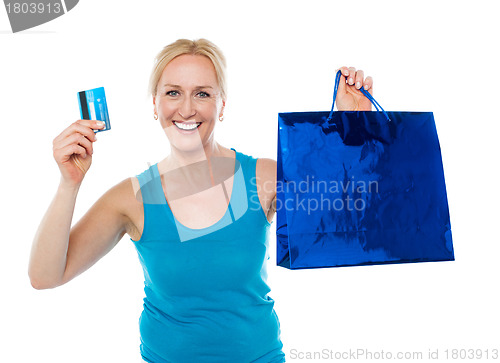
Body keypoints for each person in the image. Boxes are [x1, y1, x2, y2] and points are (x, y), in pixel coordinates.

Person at [28, 38, 374, 362]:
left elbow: (351, 222)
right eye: (173, 92)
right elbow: (45, 276)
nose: (187, 108)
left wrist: (354, 128)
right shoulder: (131, 198)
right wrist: (68, 184)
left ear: (222, 105)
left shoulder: (264, 178)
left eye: (203, 94)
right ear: (155, 104)